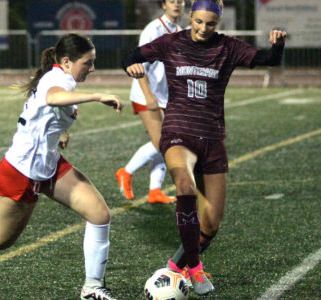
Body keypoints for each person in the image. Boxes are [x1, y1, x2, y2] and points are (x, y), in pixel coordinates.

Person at [0, 33, 122, 300]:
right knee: (0, 240)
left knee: (99, 215)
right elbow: (52, 98)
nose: (92, 68)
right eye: (88, 63)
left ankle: (92, 288)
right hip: (20, 172)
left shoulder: (63, 78)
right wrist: (98, 95)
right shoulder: (57, 79)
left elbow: (44, 112)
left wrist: (60, 133)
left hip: (49, 166)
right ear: (66, 62)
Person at [122, 0, 286, 296]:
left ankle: (175, 267)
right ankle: (195, 270)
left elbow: (266, 59)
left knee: (211, 224)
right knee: (184, 187)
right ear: (190, 17)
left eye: (210, 24)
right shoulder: (171, 42)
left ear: (218, 23)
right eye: (198, 21)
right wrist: (131, 65)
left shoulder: (228, 47)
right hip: (178, 133)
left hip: (212, 139)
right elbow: (133, 55)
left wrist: (277, 46)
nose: (203, 28)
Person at [114, 0, 184, 204]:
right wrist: (149, 96)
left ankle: (155, 191)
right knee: (161, 142)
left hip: (164, 95)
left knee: (165, 142)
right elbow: (138, 63)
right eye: (172, 1)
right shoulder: (153, 29)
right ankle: (125, 172)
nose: (177, 4)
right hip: (146, 93)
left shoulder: (179, 30)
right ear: (164, 5)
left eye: (181, 1)